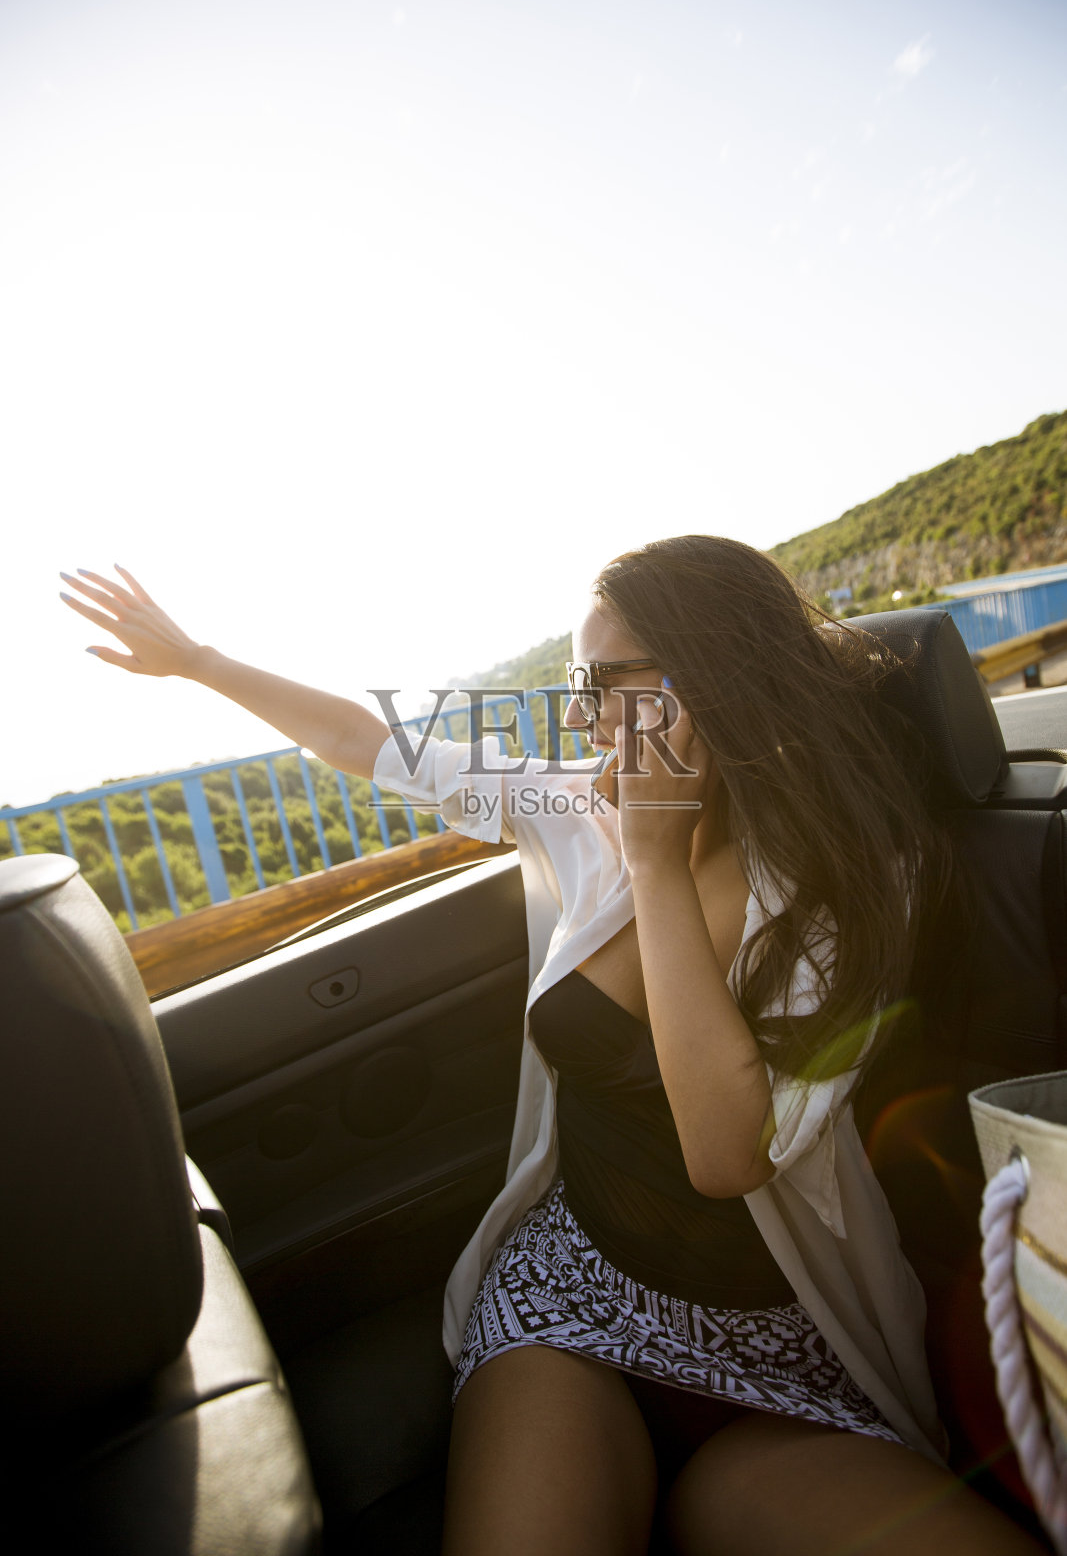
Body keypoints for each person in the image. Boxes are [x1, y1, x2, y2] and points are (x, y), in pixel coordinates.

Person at [60, 539, 1043, 1556]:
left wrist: (658, 861)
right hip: (568, 1293)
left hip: (785, 1340)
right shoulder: (574, 805)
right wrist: (199, 660)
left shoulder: (853, 875)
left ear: (708, 682)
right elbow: (373, 742)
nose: (575, 714)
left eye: (596, 681)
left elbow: (725, 1154)